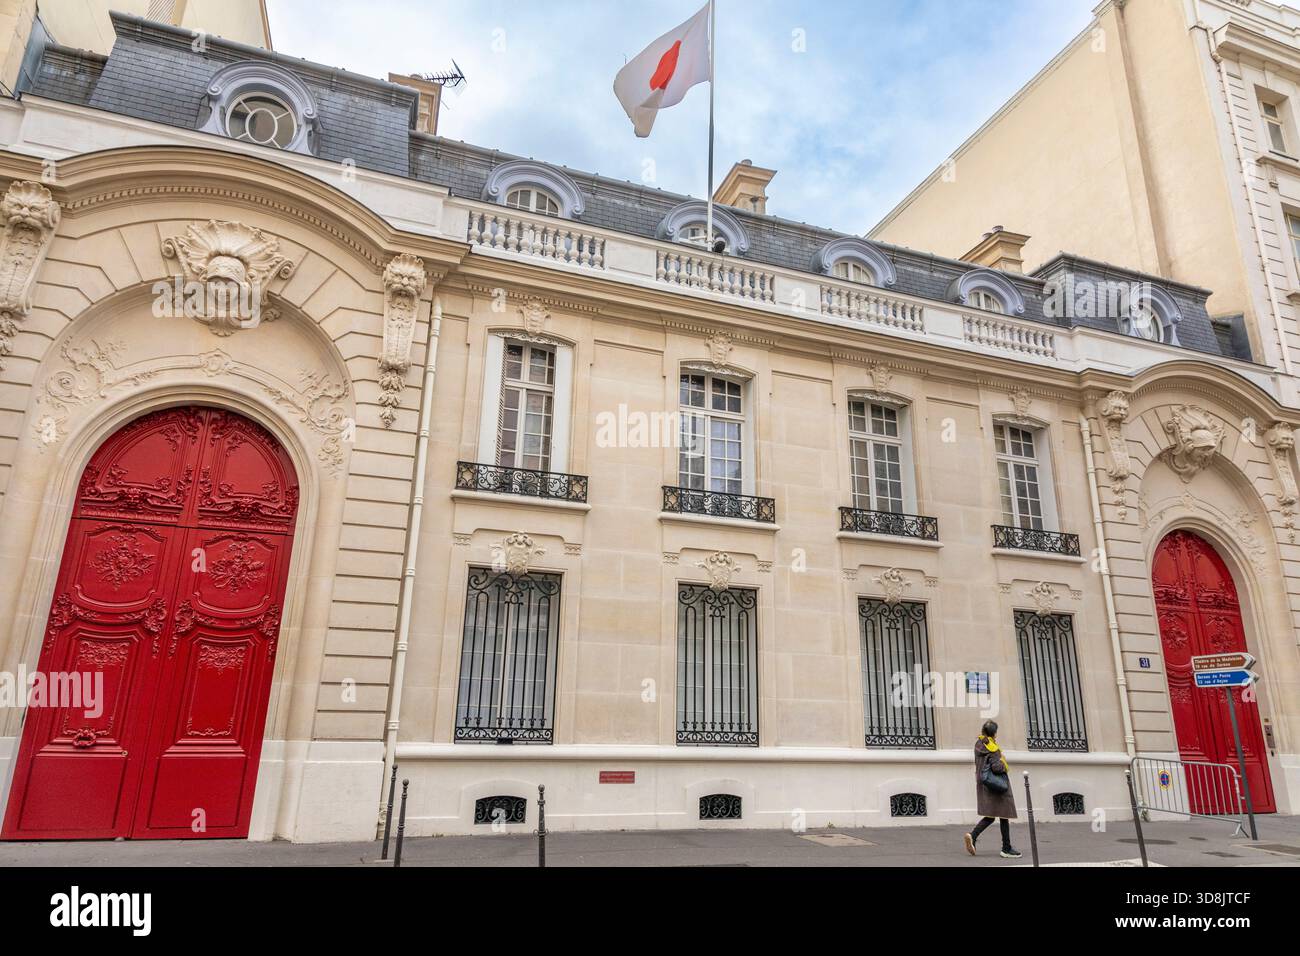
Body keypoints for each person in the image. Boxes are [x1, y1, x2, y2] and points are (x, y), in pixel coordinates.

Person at [964, 720, 1022, 859]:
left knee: (992, 815)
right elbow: (996, 768)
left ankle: (973, 836)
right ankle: (1006, 848)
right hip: (997, 785)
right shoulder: (993, 748)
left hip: (984, 784)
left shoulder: (979, 744)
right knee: (1003, 814)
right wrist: (1003, 762)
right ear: (994, 733)